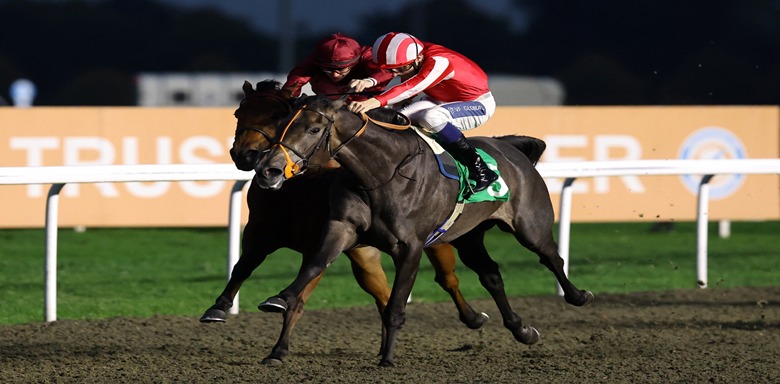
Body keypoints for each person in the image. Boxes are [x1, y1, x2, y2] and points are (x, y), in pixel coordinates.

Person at [347, 32, 498, 194]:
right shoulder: (413, 53)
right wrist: (371, 83)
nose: (397, 74)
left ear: (418, 58)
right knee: (399, 118)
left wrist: (374, 101)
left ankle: (481, 169)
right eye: (392, 70)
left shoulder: (439, 62)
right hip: (438, 100)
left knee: (431, 117)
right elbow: (403, 77)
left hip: (477, 105)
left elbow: (411, 87)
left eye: (402, 68)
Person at [282, 33, 395, 101]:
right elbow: (295, 81)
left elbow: (386, 71)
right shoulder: (313, 63)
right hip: (329, 111)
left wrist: (369, 81)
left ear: (354, 63)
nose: (335, 75)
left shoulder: (366, 55)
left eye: (341, 69)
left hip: (371, 107)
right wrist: (286, 98)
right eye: (328, 69)